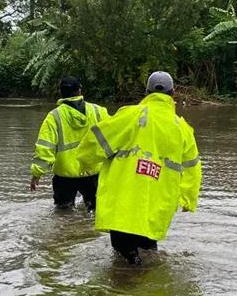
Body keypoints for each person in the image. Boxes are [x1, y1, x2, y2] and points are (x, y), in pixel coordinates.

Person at [77, 72, 201, 265]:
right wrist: (188, 199)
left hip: (123, 202)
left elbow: (96, 141)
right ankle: (147, 289)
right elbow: (192, 168)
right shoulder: (182, 128)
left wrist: (86, 163)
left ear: (146, 91)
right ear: (173, 93)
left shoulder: (129, 116)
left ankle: (128, 285)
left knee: (125, 258)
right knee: (149, 252)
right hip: (157, 204)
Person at [31, 77, 108, 211]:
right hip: (92, 172)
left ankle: (66, 232)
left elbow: (45, 147)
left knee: (63, 213)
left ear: (61, 93)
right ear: (79, 91)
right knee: (96, 212)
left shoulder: (54, 116)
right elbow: (114, 134)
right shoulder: (98, 111)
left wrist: (37, 173)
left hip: (65, 175)